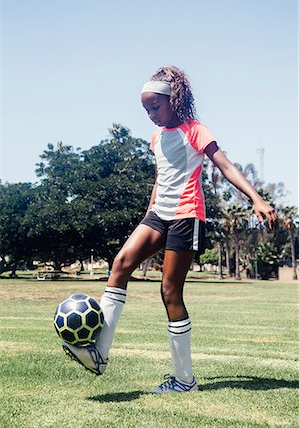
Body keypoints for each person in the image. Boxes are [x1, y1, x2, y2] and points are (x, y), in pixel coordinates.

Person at [62, 66, 277, 393]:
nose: (150, 114)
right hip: (158, 214)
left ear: (174, 100)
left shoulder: (195, 131)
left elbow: (226, 166)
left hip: (187, 215)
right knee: (120, 265)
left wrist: (256, 199)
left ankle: (184, 379)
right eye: (146, 109)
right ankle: (99, 353)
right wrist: (148, 218)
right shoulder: (156, 137)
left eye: (155, 107)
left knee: (169, 291)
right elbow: (162, 178)